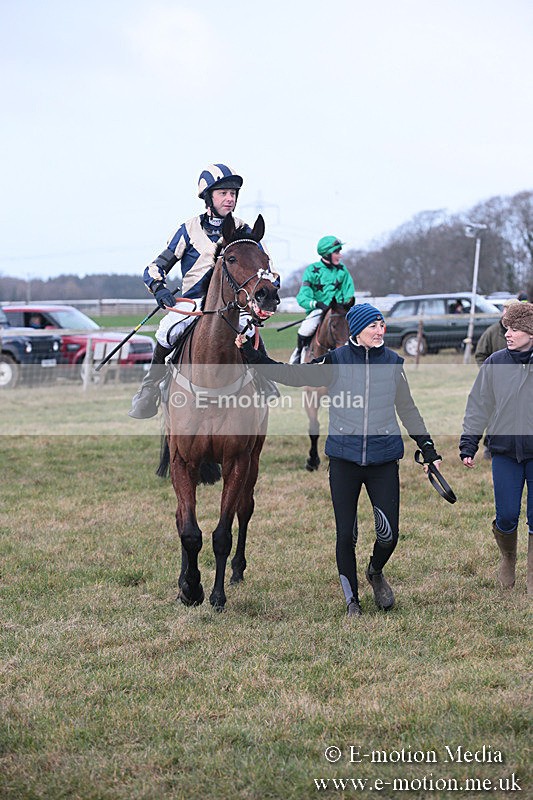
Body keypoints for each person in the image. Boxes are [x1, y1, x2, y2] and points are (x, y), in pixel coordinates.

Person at [236, 303, 442, 617]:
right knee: (346, 534)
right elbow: (293, 374)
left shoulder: (393, 363)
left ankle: (375, 571)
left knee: (389, 535)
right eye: (373, 326)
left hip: (383, 460)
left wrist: (427, 449)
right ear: (357, 330)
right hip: (344, 461)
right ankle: (352, 601)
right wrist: (255, 358)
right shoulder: (336, 360)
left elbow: (408, 410)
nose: (380, 331)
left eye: (382, 325)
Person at [129, 163, 269, 419]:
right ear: (208, 197)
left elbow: (262, 267)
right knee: (166, 332)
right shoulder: (188, 229)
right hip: (193, 303)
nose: (230, 198)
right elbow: (154, 267)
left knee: (251, 329)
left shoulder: (244, 230)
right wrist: (159, 289)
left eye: (233, 194)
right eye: (223, 193)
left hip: (232, 304)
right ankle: (149, 390)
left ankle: (265, 382)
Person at [460, 301, 533, 595]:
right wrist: (469, 443)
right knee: (506, 515)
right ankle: (508, 557)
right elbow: (479, 405)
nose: (508, 334)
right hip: (504, 452)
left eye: (515, 329)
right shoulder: (495, 363)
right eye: (507, 328)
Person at [289, 236, 355, 364]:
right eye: (337, 252)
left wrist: (344, 304)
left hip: (340, 311)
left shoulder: (342, 270)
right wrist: (316, 304)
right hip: (318, 310)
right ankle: (298, 354)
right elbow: (303, 296)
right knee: (305, 329)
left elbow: (349, 292)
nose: (340, 256)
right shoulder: (312, 270)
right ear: (327, 253)